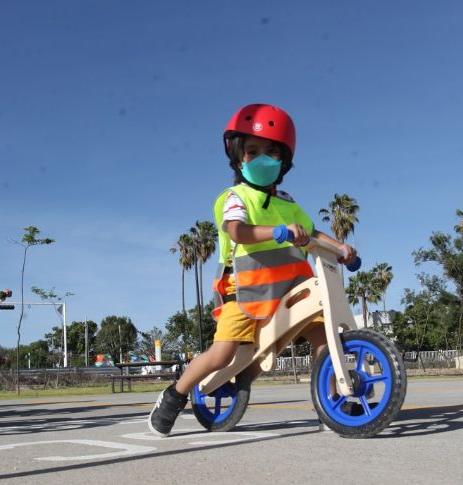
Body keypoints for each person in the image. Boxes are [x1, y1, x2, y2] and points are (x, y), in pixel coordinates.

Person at [148, 103, 357, 437]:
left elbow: (313, 233)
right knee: (223, 352)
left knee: (323, 337)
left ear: (283, 161)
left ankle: (333, 400)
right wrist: (275, 232)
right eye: (253, 151)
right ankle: (176, 394)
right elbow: (236, 231)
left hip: (290, 287)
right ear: (238, 157)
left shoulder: (288, 202)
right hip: (245, 289)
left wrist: (340, 248)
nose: (262, 158)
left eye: (272, 152)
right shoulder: (235, 197)